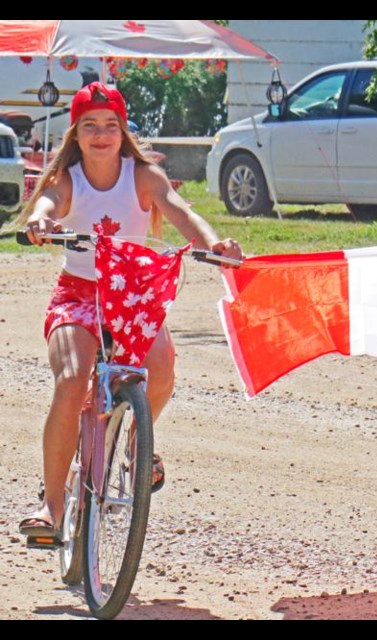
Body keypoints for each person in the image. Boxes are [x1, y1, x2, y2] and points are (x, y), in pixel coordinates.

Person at [16, 82, 243, 543]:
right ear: (75, 134)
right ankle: (52, 505)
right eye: (90, 126)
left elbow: (182, 214)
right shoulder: (68, 179)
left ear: (123, 132)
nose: (101, 135)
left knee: (160, 369)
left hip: (132, 294)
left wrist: (213, 244)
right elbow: (45, 204)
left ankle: (140, 443)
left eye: (110, 126)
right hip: (77, 294)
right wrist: (40, 220)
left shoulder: (143, 176)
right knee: (72, 379)